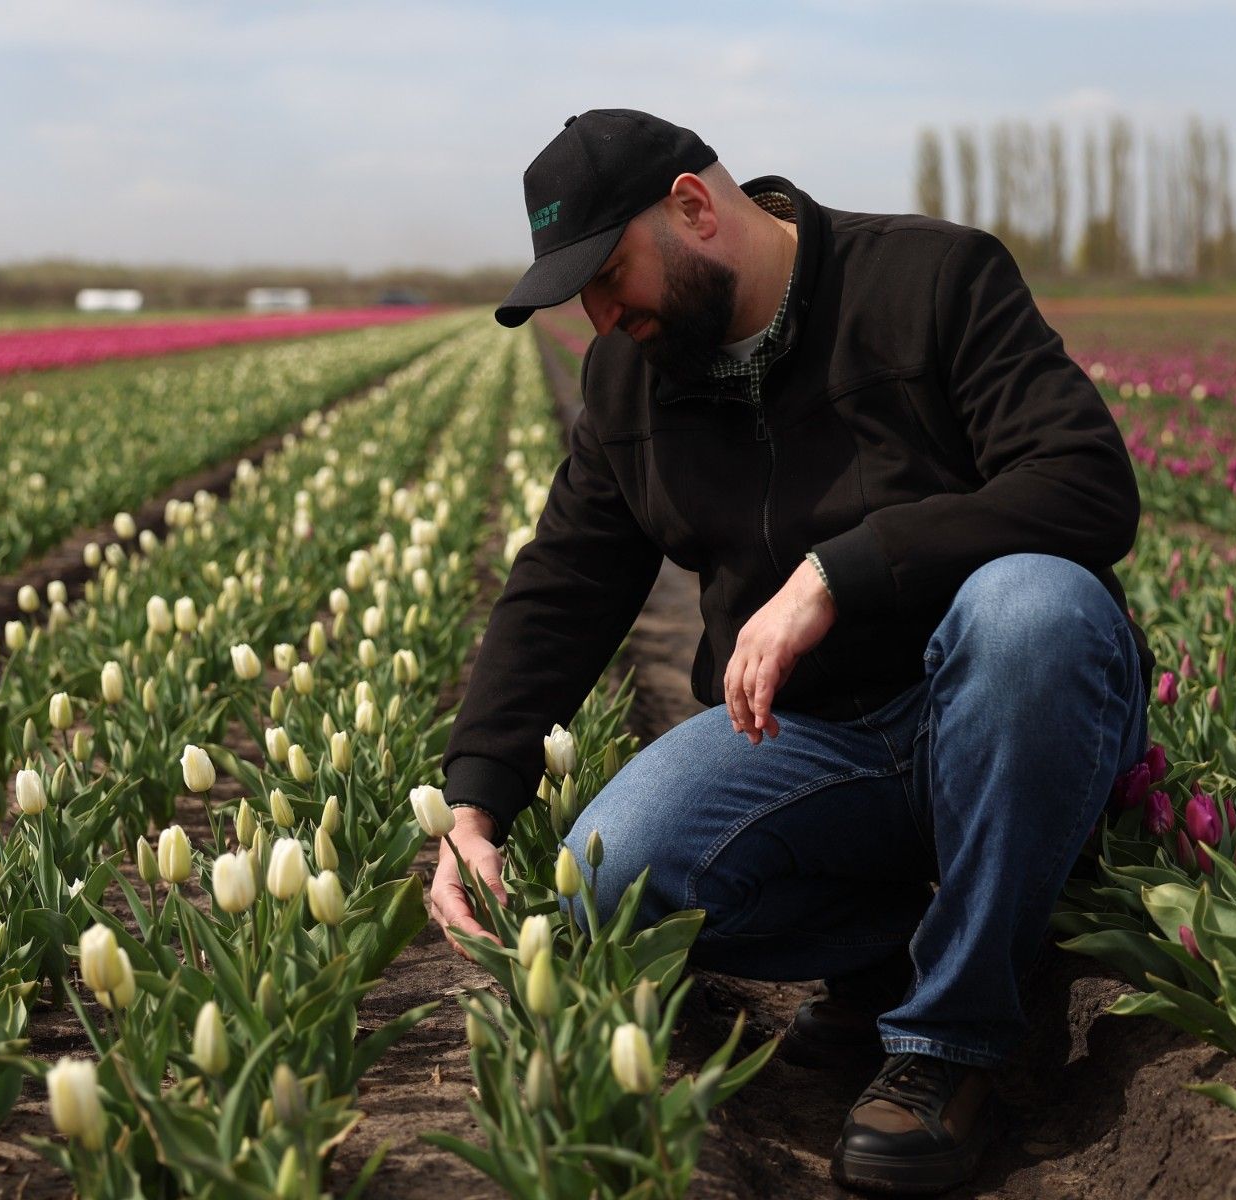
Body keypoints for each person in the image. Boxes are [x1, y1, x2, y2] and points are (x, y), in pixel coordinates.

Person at [431, 108, 1153, 1196]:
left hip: (999, 702)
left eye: (608, 272)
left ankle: (948, 1047)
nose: (598, 311)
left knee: (1031, 610)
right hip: (819, 743)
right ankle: (937, 934)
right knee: (607, 881)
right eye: (575, 289)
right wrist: (475, 804)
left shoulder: (929, 280)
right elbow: (563, 586)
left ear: (692, 208)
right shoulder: (632, 381)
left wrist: (837, 572)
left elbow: (1086, 484)